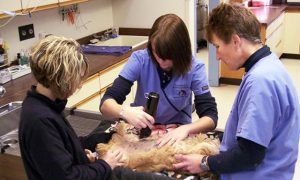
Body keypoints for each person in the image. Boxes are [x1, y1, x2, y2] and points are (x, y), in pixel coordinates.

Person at [173, 3, 300, 180]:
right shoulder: (270, 66)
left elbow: (250, 154)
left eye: (217, 46)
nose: (217, 55)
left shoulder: (260, 81)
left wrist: (204, 162)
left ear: (235, 41)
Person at [100, 13, 218, 147]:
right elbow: (106, 104)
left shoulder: (195, 67)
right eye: (157, 54)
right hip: (141, 129)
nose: (161, 62)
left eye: (167, 57)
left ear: (181, 52)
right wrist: (124, 112)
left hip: (176, 131)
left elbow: (211, 117)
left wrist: (186, 129)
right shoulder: (140, 60)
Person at [18, 36, 125, 180]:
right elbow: (66, 177)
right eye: (77, 79)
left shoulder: (45, 105)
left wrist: (100, 141)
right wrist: (105, 165)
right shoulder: (40, 120)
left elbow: (64, 147)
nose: (79, 85)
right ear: (60, 78)